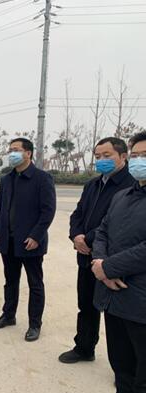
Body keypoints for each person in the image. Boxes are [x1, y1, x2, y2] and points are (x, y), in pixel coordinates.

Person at [59, 137, 135, 364]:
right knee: (86, 305)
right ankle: (84, 347)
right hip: (86, 257)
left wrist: (88, 239)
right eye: (98, 156)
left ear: (123, 156)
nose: (101, 160)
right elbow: (78, 214)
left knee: (118, 314)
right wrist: (76, 236)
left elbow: (114, 223)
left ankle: (125, 366)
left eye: (107, 156)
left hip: (114, 258)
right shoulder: (92, 184)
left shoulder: (130, 185)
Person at [91, 132, 146, 393]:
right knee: (122, 369)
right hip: (115, 300)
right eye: (135, 155)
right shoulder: (123, 196)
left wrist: (108, 268)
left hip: (141, 303)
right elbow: (102, 231)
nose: (139, 161)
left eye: (144, 156)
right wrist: (100, 263)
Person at [0, 137, 56, 342]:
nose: (12, 153)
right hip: (7, 240)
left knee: (35, 284)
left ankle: (35, 324)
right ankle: (8, 315)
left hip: (29, 242)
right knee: (10, 281)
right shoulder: (7, 179)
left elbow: (48, 211)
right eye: (10, 150)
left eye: (16, 150)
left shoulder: (42, 178)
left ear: (28, 153)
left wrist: (36, 236)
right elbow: (0, 208)